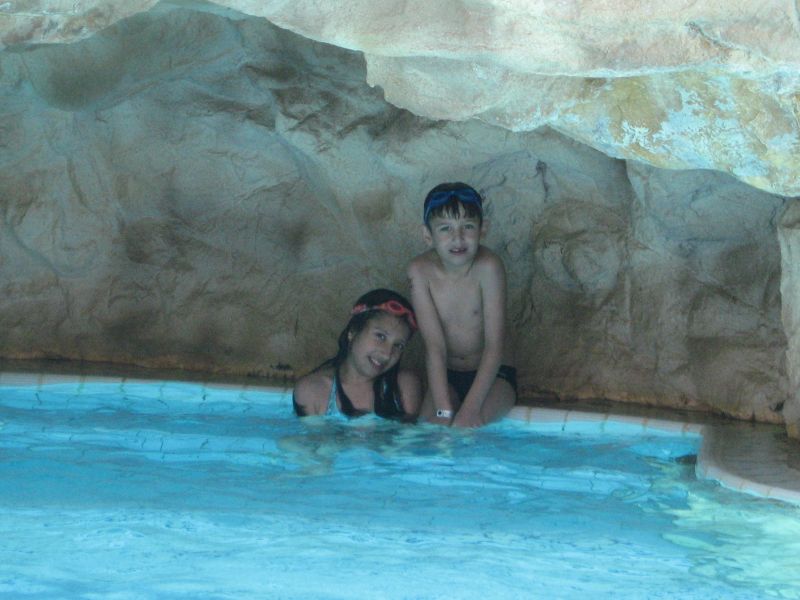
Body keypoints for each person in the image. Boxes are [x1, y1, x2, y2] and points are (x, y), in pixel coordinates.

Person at [407, 182, 517, 427]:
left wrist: (470, 410)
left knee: (468, 428)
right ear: (427, 235)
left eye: (467, 226)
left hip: (494, 376)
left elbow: (494, 346)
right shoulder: (420, 271)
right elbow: (434, 347)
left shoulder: (488, 267)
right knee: (431, 430)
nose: (457, 238)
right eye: (445, 228)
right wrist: (443, 410)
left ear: (482, 229)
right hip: (446, 376)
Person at [292, 288, 422, 421]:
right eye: (380, 336)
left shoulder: (403, 386)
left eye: (398, 345)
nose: (387, 354)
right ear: (353, 331)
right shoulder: (313, 391)